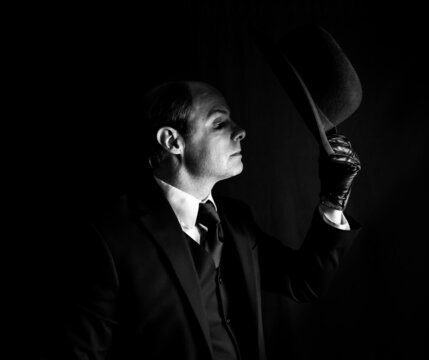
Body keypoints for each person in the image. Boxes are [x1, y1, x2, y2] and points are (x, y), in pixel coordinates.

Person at [57, 80, 361, 360]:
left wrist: (333, 201)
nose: (240, 131)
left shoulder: (236, 220)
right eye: (219, 122)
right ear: (172, 141)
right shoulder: (110, 238)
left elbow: (303, 281)